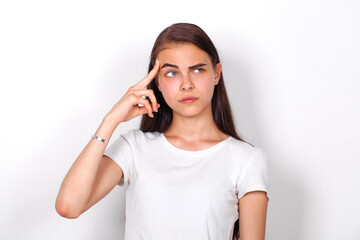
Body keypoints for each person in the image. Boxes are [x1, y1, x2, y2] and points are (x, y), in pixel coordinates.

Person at [55, 23, 270, 240]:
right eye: (171, 73)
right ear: (156, 81)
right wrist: (111, 120)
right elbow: (69, 206)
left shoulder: (246, 159)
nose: (186, 84)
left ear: (216, 73)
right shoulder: (134, 148)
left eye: (197, 70)